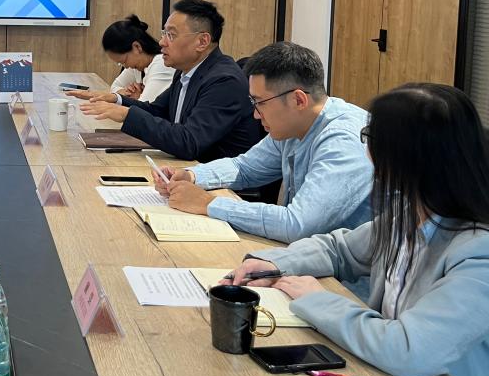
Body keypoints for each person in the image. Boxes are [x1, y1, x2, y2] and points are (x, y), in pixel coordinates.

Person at [225, 84, 489, 376]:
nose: (367, 153)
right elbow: (340, 250)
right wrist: (276, 264)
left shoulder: (478, 253)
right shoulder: (410, 214)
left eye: (370, 138)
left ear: (408, 156)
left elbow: (410, 350)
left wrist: (317, 299)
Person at [154, 42, 372, 242]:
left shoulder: (344, 140)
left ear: (298, 100)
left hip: (346, 271)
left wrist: (209, 204)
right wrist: (191, 175)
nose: (256, 115)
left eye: (260, 103)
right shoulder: (295, 125)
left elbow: (298, 224)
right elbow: (245, 167)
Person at [79, 0, 262, 162]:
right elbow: (157, 111)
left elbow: (189, 142)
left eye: (171, 35)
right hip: (187, 171)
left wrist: (126, 115)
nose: (162, 42)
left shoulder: (224, 81)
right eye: (164, 33)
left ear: (202, 41)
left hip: (221, 183)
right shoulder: (186, 71)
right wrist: (116, 100)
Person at [66, 14, 174, 104]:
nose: (125, 66)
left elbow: (145, 109)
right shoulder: (139, 66)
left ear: (137, 47)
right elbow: (115, 87)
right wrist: (128, 93)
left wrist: (137, 98)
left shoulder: (162, 63)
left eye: (124, 61)